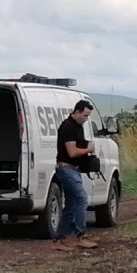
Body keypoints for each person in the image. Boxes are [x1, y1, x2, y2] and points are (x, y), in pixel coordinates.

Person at [53, 100, 98, 250]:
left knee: (71, 205)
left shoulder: (78, 127)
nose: (86, 118)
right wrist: (88, 149)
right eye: (85, 115)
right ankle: (81, 235)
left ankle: (60, 239)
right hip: (66, 169)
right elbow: (72, 152)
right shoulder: (68, 127)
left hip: (73, 169)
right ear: (77, 112)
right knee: (81, 199)